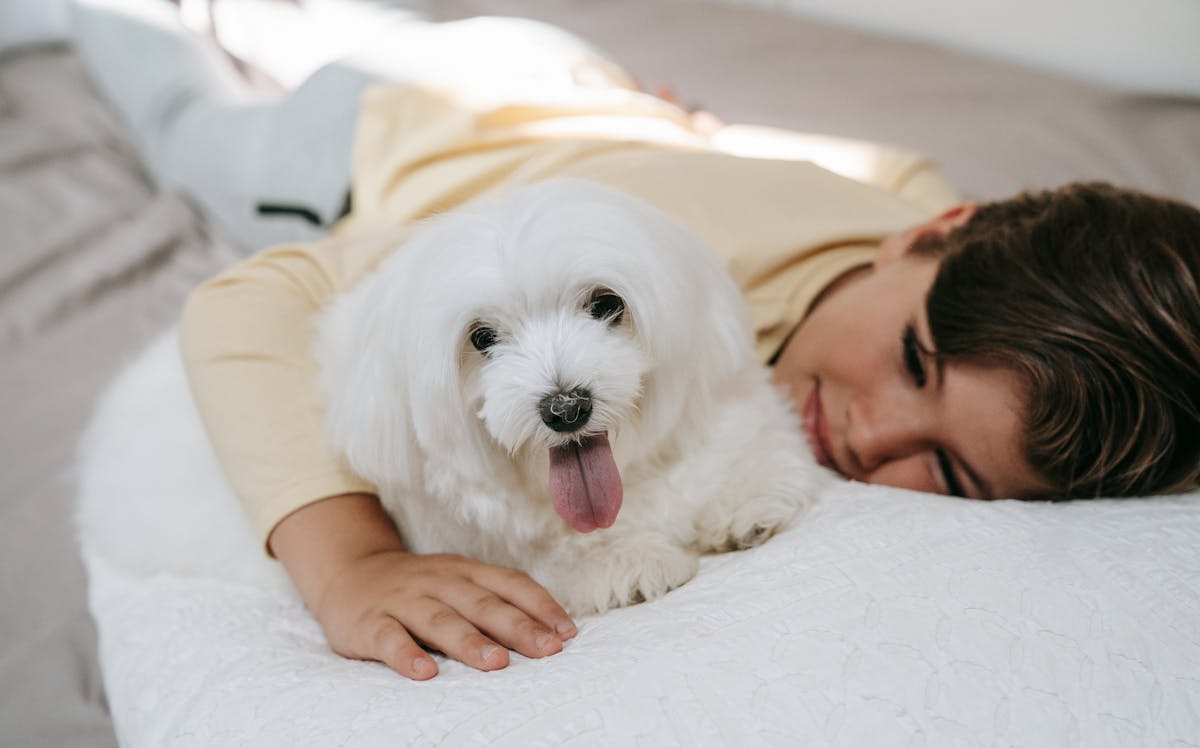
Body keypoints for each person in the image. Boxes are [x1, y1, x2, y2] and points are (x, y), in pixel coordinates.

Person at [70, 0, 1200, 681]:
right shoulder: (649, 275)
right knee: (188, 107)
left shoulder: (912, 201)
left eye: (946, 468)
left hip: (557, 80)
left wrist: (684, 136)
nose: (866, 431)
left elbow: (875, 176)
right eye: (914, 360)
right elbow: (249, 299)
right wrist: (352, 561)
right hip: (371, 142)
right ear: (935, 235)